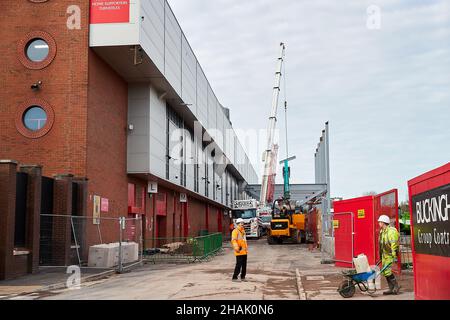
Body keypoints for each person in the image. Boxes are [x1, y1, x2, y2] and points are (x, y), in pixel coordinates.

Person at [378, 215, 400, 295]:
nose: (379, 223)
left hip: (390, 255)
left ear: (384, 222)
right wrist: (380, 256)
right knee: (385, 272)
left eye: (380, 222)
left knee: (387, 271)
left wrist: (394, 256)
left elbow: (394, 244)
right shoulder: (382, 231)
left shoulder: (391, 231)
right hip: (384, 255)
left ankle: (396, 287)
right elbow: (381, 244)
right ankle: (391, 288)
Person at [231, 218, 248, 282]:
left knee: (244, 265)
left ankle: (243, 277)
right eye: (241, 223)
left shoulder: (243, 231)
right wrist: (236, 248)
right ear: (238, 224)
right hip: (239, 251)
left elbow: (244, 241)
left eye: (243, 223)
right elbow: (234, 240)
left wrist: (246, 249)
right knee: (238, 265)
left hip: (244, 251)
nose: (242, 224)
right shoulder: (235, 231)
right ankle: (234, 277)